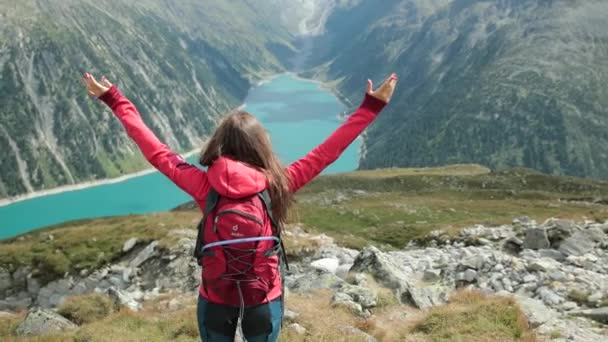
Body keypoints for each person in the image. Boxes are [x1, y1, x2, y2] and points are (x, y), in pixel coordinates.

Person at [82, 71, 397, 341]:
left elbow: (157, 152)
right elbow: (327, 152)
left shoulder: (205, 186)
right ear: (261, 146)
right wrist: (371, 107)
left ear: (219, 144)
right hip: (264, 295)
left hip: (216, 294)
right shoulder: (278, 184)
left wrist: (115, 100)